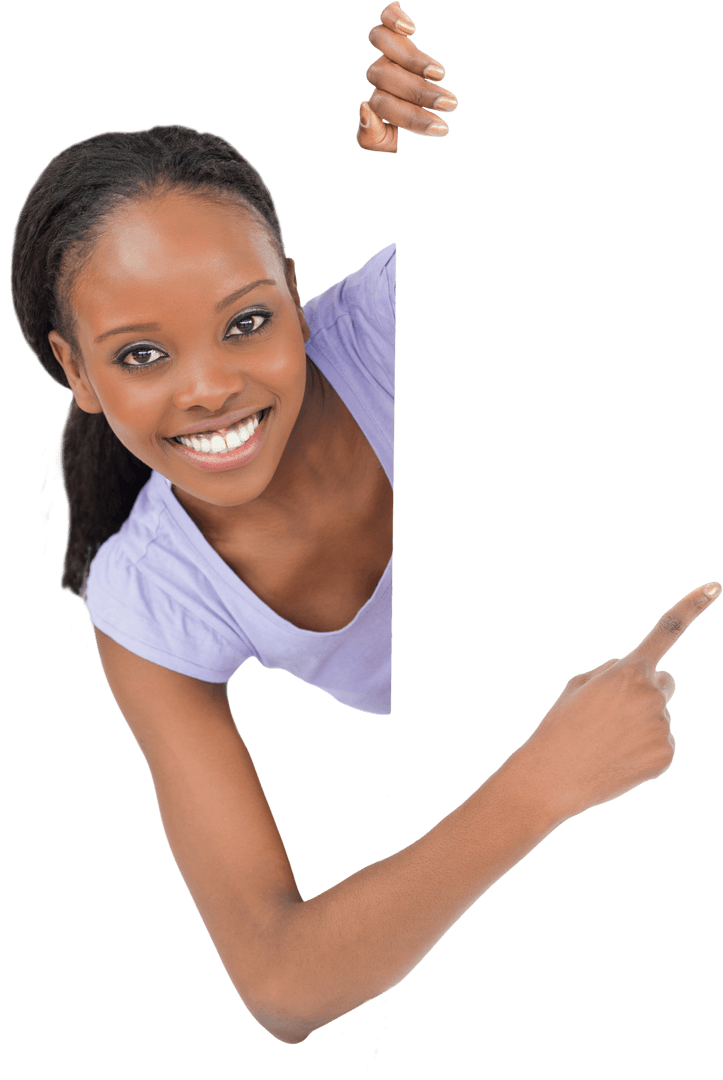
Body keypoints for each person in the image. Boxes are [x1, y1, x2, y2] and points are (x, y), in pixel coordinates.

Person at [9, 1, 721, 1047]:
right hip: (598, 802)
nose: (210, 389)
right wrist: (546, 782)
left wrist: (460, 103)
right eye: (141, 355)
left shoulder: (398, 321)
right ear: (72, 371)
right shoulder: (149, 596)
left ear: (294, 293)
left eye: (248, 322)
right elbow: (281, 984)